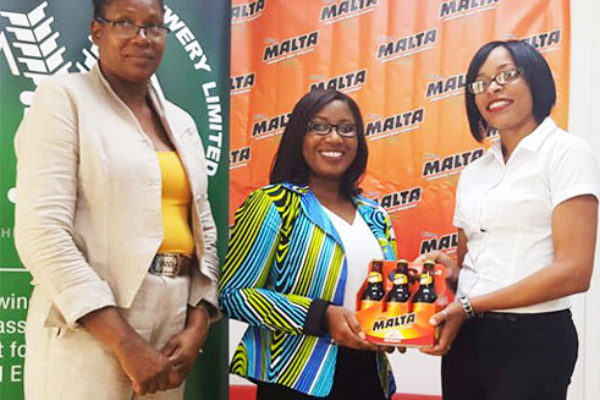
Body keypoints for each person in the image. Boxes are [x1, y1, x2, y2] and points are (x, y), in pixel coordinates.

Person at [13, 0, 219, 398]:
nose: (142, 38)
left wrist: (198, 323)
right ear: (97, 31)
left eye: (153, 26)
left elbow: (204, 231)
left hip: (172, 325)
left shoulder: (181, 122)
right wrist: (125, 343)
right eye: (125, 23)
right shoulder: (63, 99)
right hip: (90, 327)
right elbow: (43, 233)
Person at [420, 40, 600, 400]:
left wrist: (471, 305)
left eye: (506, 75)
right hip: (466, 336)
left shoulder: (566, 153)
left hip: (532, 340)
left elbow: (574, 272)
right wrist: (450, 273)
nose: (493, 88)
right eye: (481, 82)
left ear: (535, 79)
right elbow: (472, 264)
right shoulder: (473, 172)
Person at [219, 89, 399, 399]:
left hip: (369, 376)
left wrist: (398, 325)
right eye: (319, 126)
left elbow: (386, 296)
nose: (335, 138)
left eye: (347, 129)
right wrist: (320, 315)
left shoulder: (375, 215)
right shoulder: (273, 204)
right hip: (294, 380)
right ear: (298, 136)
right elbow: (232, 295)